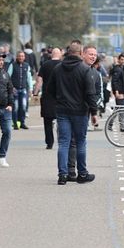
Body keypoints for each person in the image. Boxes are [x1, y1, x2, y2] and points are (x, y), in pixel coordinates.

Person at [51, 42, 100, 185]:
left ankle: (62, 174)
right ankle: (82, 173)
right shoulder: (85, 70)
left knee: (63, 143)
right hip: (80, 111)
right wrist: (94, 112)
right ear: (80, 53)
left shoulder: (58, 68)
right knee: (80, 142)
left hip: (62, 110)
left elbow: (50, 90)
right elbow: (90, 93)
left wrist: (59, 100)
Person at [34, 46, 62, 149]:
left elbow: (39, 81)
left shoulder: (45, 65)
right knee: (62, 120)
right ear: (60, 55)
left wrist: (35, 93)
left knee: (47, 121)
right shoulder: (63, 65)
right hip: (61, 96)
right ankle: (62, 141)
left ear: (51, 55)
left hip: (47, 96)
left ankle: (49, 143)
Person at [7, 51, 33, 129]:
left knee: (24, 106)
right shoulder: (12, 65)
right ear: (17, 57)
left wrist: (30, 89)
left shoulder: (26, 66)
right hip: (15, 90)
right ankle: (15, 123)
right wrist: (11, 88)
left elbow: (29, 78)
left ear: (24, 57)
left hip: (24, 89)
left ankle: (22, 122)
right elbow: (8, 77)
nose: (21, 57)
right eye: (19, 56)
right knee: (16, 107)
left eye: (22, 56)